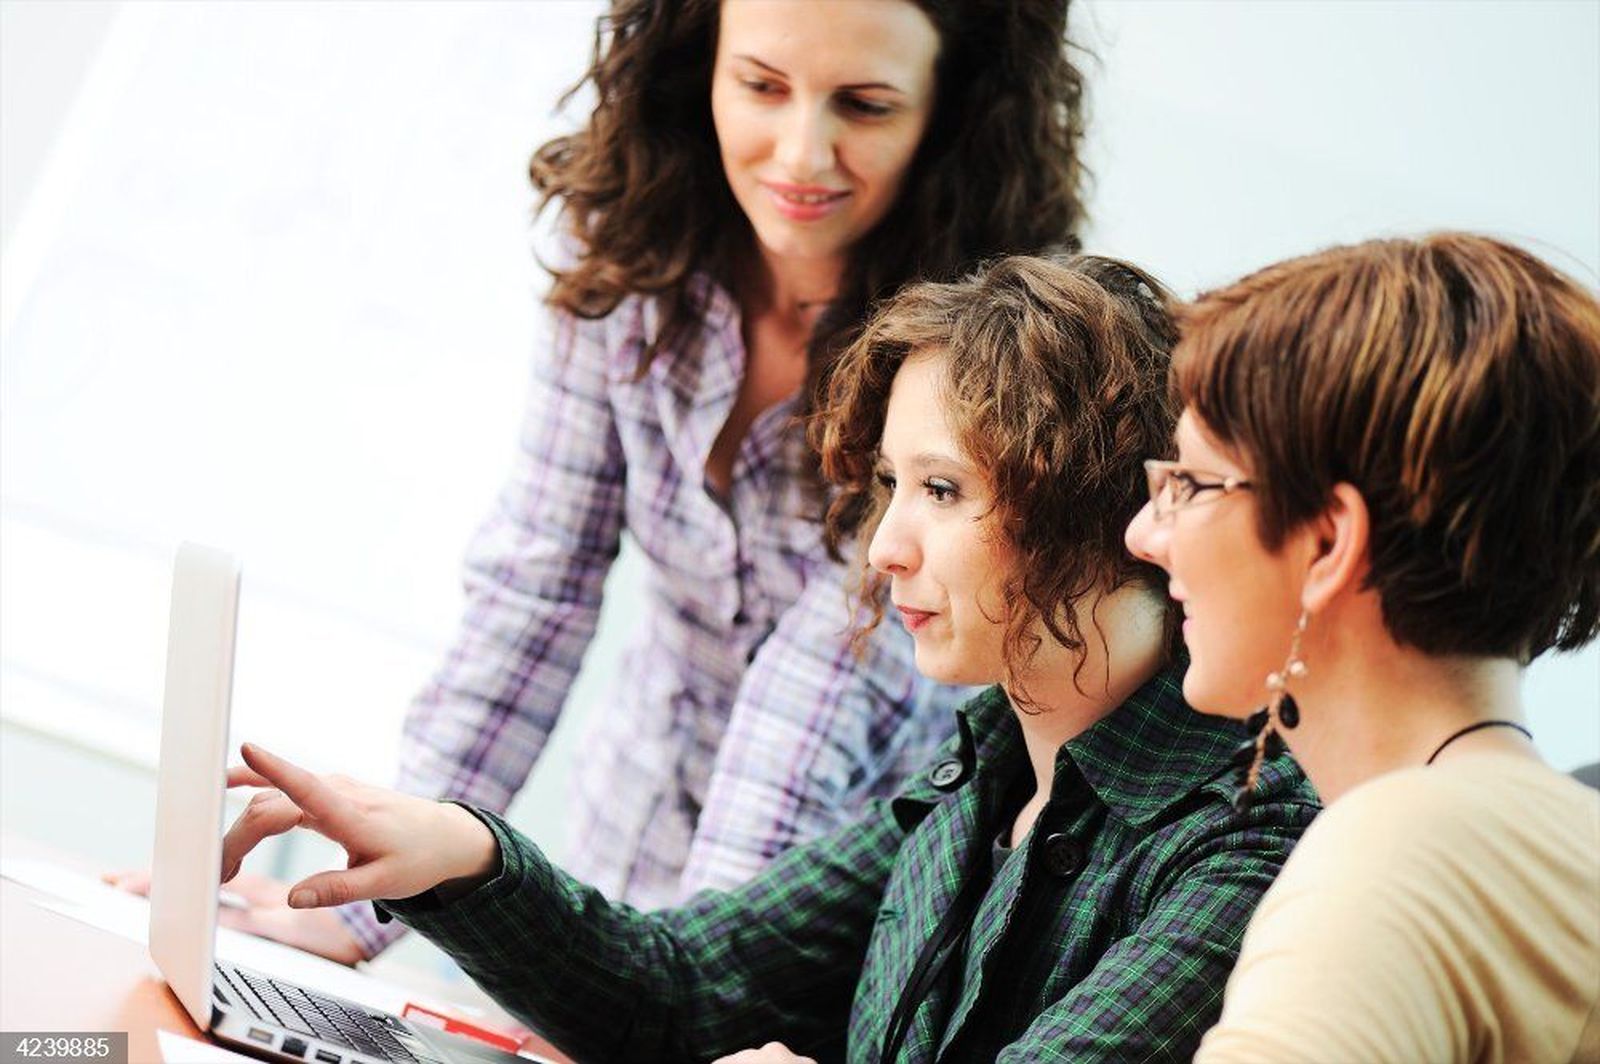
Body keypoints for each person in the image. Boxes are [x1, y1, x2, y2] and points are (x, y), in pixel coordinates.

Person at [110, 0, 1090, 962]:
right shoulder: (630, 251)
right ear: (697, 58)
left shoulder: (978, 352)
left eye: (864, 105)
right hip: (630, 830)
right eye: (760, 84)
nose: (799, 152)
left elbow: (823, 683)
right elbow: (538, 583)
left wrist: (680, 993)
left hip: (841, 913)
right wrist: (355, 906)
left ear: (953, 107)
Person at [219, 254, 1318, 1063]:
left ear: (1096, 505)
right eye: (891, 487)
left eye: (942, 490)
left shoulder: (1248, 835)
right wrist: (457, 855)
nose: (886, 546)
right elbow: (676, 987)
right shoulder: (977, 781)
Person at [1124, 232, 1600, 1063]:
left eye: (1190, 485)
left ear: (1328, 540)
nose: (1143, 534)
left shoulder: (1389, 860)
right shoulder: (1565, 838)